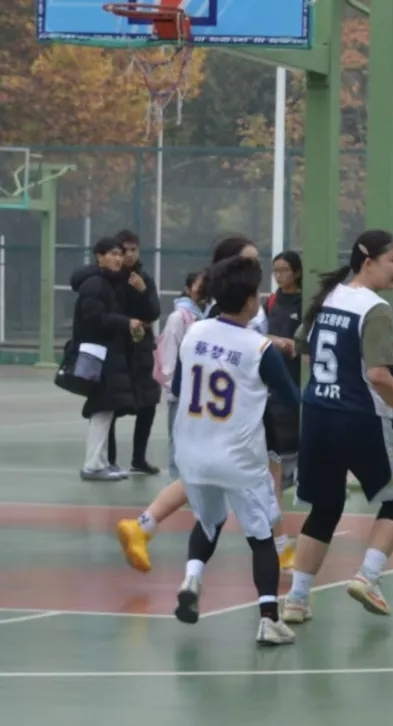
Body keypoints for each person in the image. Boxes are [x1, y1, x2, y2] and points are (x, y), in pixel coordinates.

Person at [115, 235, 297, 572]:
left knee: (216, 475)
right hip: (237, 411)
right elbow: (235, 344)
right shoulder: (223, 311)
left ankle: (144, 525)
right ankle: (279, 547)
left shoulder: (237, 305)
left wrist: (270, 341)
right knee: (255, 476)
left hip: (240, 407)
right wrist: (269, 346)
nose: (255, 267)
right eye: (248, 260)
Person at [282, 230, 393, 624]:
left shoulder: (327, 297)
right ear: (368, 262)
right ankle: (368, 576)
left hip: (317, 416)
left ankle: (296, 599)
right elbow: (378, 375)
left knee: (325, 507)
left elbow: (301, 345)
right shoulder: (375, 308)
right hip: (359, 417)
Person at [171, 255, 301, 646]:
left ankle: (192, 578)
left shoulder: (195, 333)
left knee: (208, 521)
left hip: (191, 452)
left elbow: (178, 387)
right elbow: (291, 398)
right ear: (248, 301)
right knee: (261, 536)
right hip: (238, 457)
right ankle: (269, 619)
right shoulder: (258, 347)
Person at [71, 236, 142, 481]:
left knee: (105, 408)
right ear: (99, 257)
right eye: (112, 254)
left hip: (107, 354)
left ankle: (101, 462)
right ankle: (93, 465)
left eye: (120, 254)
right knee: (101, 408)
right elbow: (95, 318)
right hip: (98, 356)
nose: (118, 259)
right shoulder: (94, 284)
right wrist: (126, 322)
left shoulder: (108, 283)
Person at [107, 229, 162, 476]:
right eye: (124, 250)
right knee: (110, 405)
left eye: (133, 250)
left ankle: (139, 458)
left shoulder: (144, 279)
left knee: (148, 402)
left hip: (141, 349)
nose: (129, 255)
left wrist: (142, 291)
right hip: (117, 349)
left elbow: (154, 312)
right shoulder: (108, 279)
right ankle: (108, 459)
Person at [156, 271, 209, 481]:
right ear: (188, 289)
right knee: (178, 440)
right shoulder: (178, 318)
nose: (204, 291)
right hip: (180, 393)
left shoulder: (206, 317)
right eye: (199, 286)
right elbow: (169, 354)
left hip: (200, 392)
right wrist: (173, 389)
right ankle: (177, 484)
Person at [265, 250, 304, 490]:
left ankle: (293, 474)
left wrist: (295, 346)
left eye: (284, 270)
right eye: (276, 271)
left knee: (293, 422)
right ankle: (279, 478)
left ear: (297, 272)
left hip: (296, 374)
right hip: (273, 376)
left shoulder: (305, 303)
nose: (279, 276)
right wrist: (274, 341)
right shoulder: (271, 302)